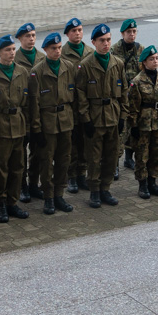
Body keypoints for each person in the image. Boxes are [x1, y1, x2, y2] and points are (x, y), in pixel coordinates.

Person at [76, 24, 126, 208]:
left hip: (112, 115)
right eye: (102, 40)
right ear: (94, 42)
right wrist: (86, 119)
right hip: (95, 118)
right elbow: (80, 95)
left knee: (111, 156)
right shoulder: (86, 65)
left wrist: (122, 117)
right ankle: (94, 191)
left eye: (108, 40)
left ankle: (106, 188)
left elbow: (124, 92)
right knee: (94, 157)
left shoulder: (117, 63)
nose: (106, 44)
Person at [29, 32, 77, 214]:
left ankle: (59, 194)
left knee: (64, 160)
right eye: (53, 49)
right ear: (45, 50)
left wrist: (76, 122)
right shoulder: (37, 71)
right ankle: (48, 197)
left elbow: (75, 96)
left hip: (65, 120)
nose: (57, 51)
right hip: (47, 122)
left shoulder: (69, 67)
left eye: (59, 48)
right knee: (47, 161)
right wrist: (36, 128)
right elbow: (34, 102)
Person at [0, 35, 32, 223]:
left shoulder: (22, 72)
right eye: (7, 50)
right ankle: (1, 204)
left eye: (13, 49)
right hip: (0, 127)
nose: (11, 53)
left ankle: (13, 202)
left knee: (18, 167)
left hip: (19, 125)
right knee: (0, 169)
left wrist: (28, 128)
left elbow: (27, 104)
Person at [127, 46, 158, 199]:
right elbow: (132, 107)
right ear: (144, 62)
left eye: (156, 58)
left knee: (157, 153)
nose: (155, 62)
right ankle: (143, 185)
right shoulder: (137, 82)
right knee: (142, 155)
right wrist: (133, 125)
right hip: (143, 125)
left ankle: (153, 182)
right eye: (151, 59)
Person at [61, 18, 94, 193]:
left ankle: (82, 174)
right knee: (71, 143)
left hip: (87, 104)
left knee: (85, 142)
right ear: (67, 34)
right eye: (73, 31)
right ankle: (71, 176)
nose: (77, 33)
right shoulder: (62, 53)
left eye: (80, 30)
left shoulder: (90, 52)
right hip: (71, 105)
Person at [15, 23, 46, 202]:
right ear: (20, 39)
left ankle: (34, 184)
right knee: (20, 154)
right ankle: (22, 186)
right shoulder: (14, 59)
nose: (31, 39)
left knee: (38, 152)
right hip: (22, 114)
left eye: (33, 35)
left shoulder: (42, 58)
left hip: (40, 113)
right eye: (27, 36)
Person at [111, 19, 143, 176]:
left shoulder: (140, 49)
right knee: (120, 131)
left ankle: (129, 158)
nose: (132, 34)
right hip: (120, 97)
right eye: (129, 32)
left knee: (134, 128)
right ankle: (115, 163)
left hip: (136, 97)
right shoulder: (114, 51)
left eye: (134, 31)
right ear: (123, 33)